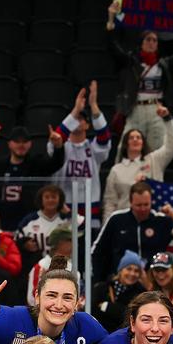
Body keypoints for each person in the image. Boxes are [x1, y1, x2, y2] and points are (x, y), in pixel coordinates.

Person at [106, 8, 173, 151]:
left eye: (155, 40)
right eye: (148, 39)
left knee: (157, 153)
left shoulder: (163, 65)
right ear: (142, 43)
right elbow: (113, 47)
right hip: (135, 110)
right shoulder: (131, 62)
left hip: (156, 111)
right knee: (124, 151)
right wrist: (111, 19)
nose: (152, 43)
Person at [49, 82, 110, 237]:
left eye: (82, 119)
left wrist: (93, 105)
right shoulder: (60, 147)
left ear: (88, 125)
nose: (78, 121)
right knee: (61, 256)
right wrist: (76, 111)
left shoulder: (93, 149)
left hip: (90, 210)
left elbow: (104, 138)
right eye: (75, 119)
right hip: (63, 209)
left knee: (87, 255)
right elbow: (56, 139)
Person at [102, 106, 173, 222]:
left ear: (143, 143)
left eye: (138, 137)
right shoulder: (116, 170)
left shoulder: (154, 160)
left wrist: (167, 119)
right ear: (125, 143)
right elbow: (110, 203)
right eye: (131, 138)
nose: (135, 139)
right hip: (125, 222)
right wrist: (107, 228)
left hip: (153, 220)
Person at [93, 181, 173, 282]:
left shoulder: (162, 221)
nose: (143, 209)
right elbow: (98, 251)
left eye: (146, 204)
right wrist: (100, 281)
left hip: (153, 281)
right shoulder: (116, 219)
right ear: (130, 202)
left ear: (152, 201)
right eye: (138, 205)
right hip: (122, 281)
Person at [0, 126, 66, 231]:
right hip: (2, 224)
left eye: (24, 141)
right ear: (9, 144)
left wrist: (58, 146)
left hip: (31, 224)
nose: (21, 145)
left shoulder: (36, 163)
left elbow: (55, 164)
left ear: (30, 144)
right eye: (17, 141)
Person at [93, 251, 147, 332]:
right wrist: (122, 310)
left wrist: (107, 306)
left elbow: (133, 317)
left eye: (136, 271)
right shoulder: (102, 287)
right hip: (99, 334)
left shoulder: (141, 293)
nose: (132, 273)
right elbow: (92, 311)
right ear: (120, 270)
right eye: (129, 269)